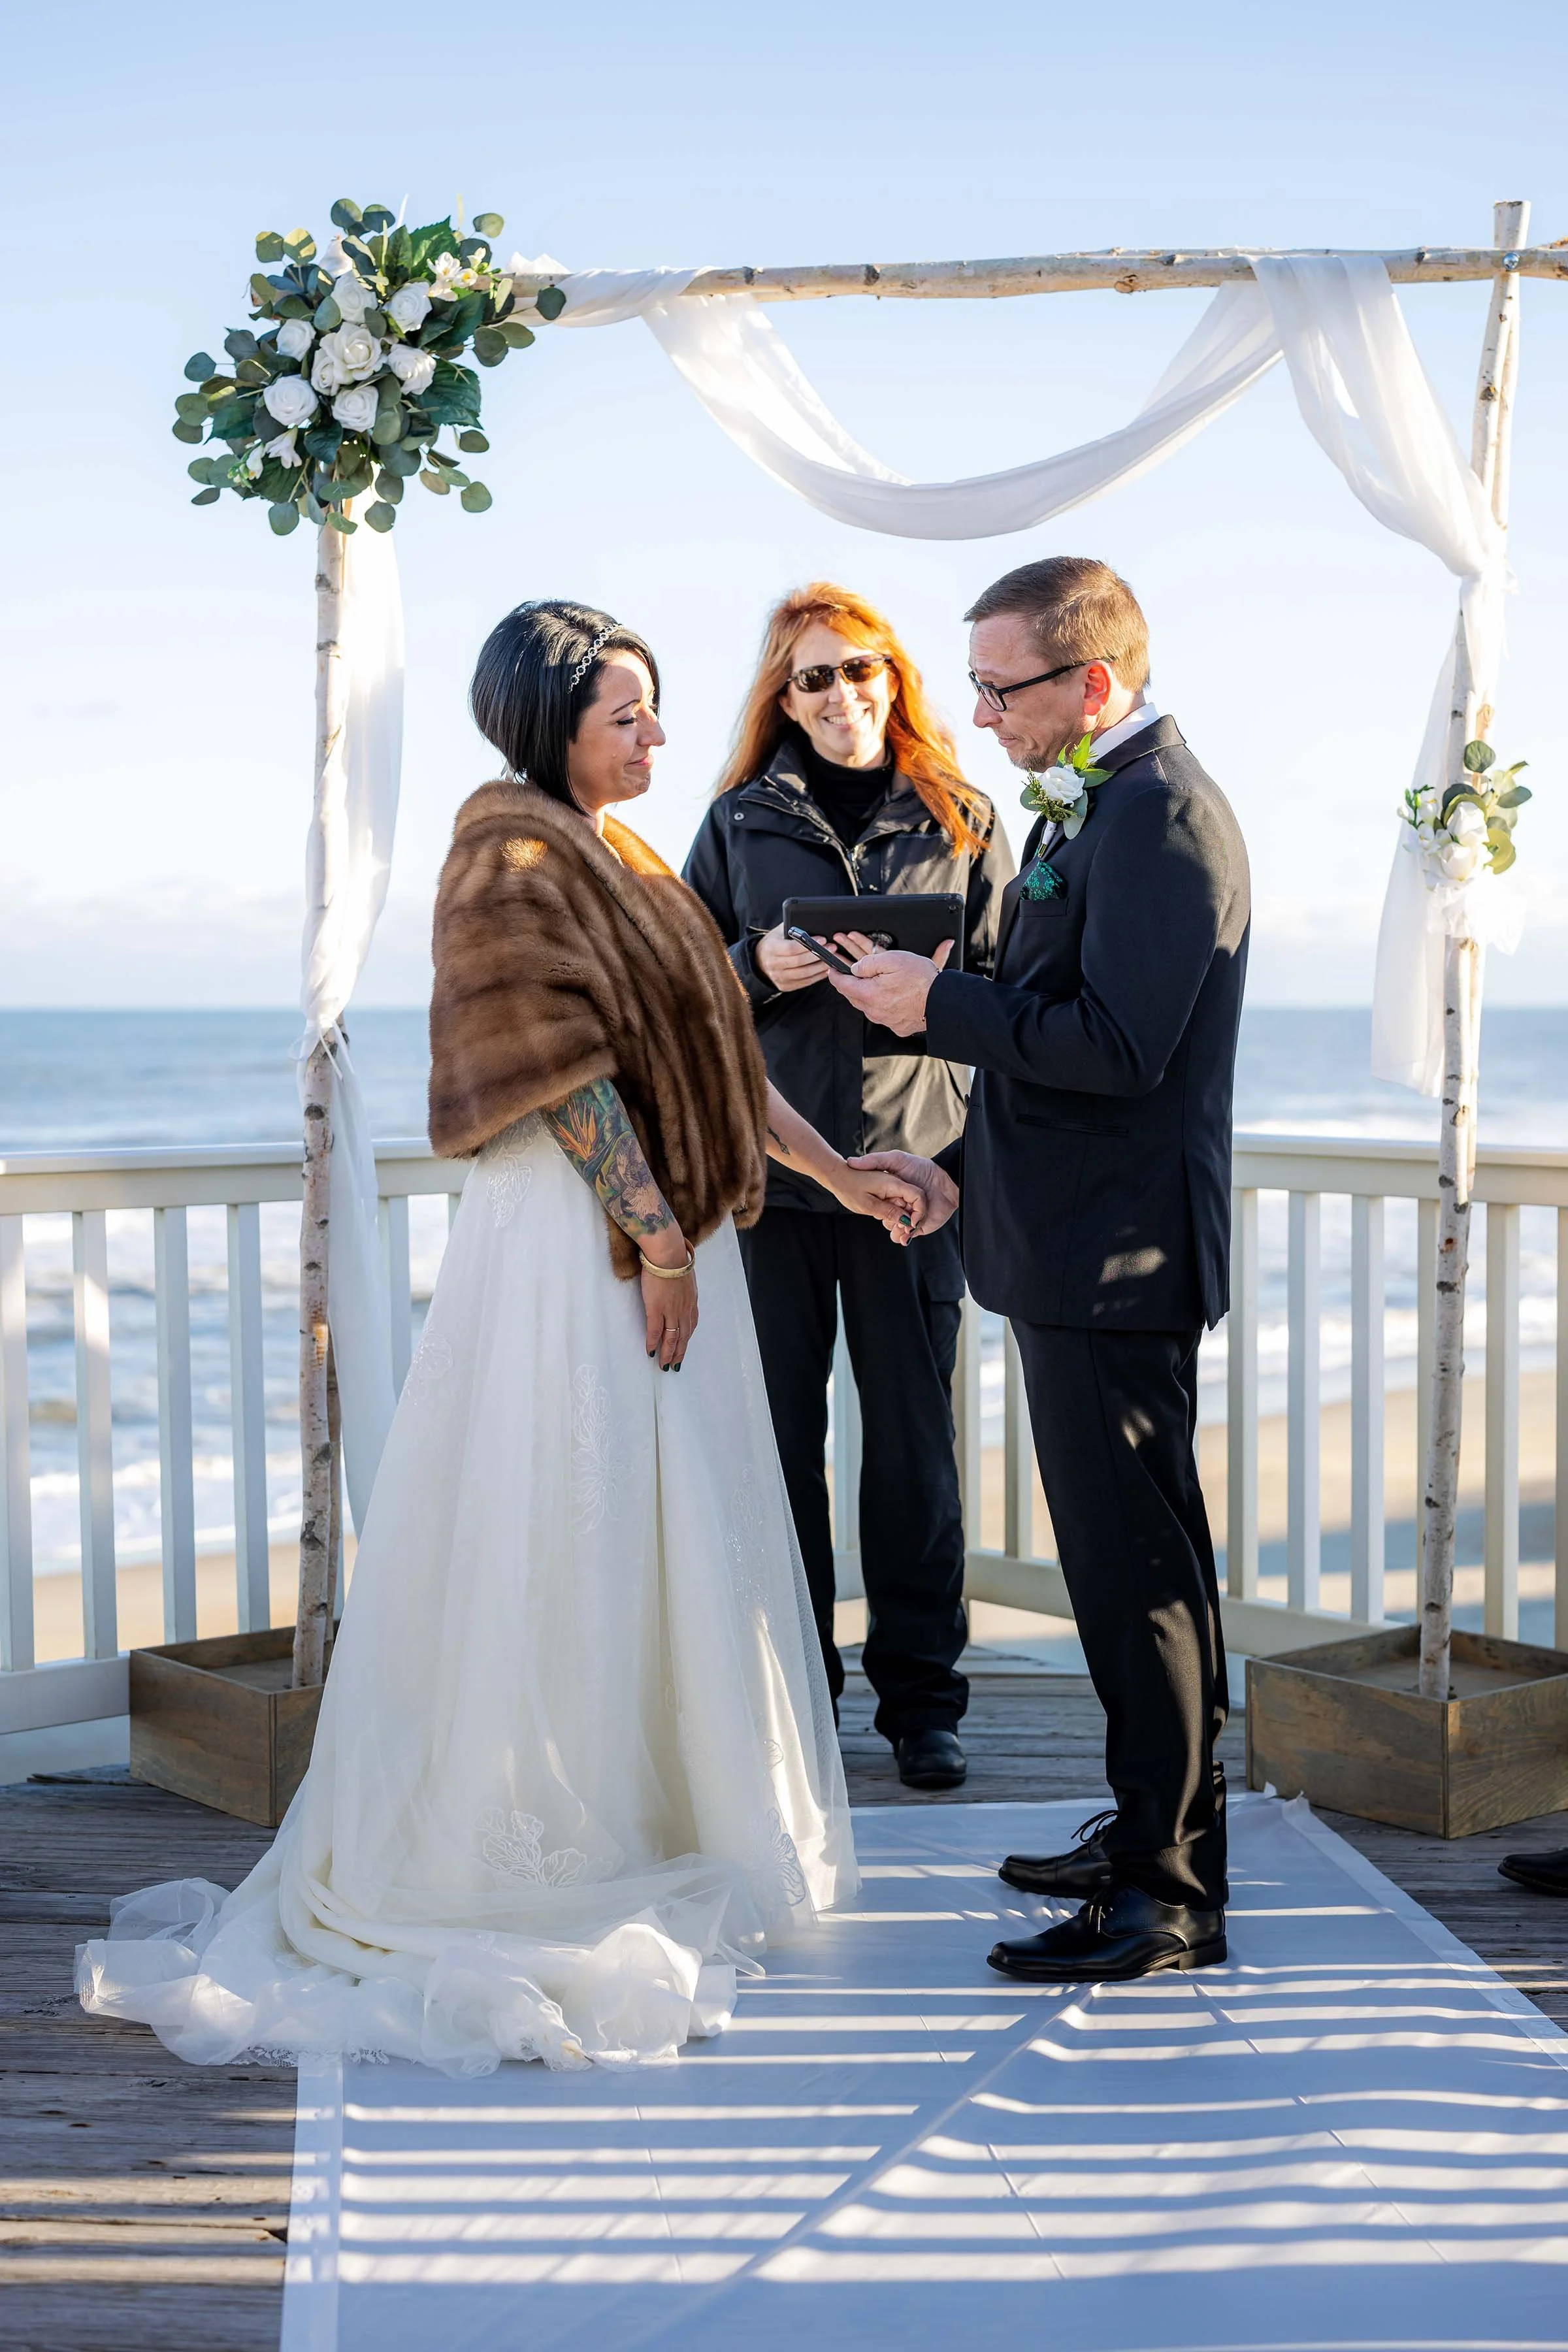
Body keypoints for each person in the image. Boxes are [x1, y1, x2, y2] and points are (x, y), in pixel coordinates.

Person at [76, 600, 953, 2074]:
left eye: (657, 710)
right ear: (549, 724)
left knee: (670, 1529)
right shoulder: (513, 851)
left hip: (670, 1237)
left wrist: (844, 1178)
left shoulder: (626, 856)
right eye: (629, 715)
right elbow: (563, 1077)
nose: (661, 736)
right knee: (571, 1518)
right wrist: (658, 1238)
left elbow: (721, 1073)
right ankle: (547, 1823)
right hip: (576, 1245)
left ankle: (668, 1803)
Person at [837, 556, 1249, 1984]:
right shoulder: (1100, 806)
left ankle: (1170, 1895)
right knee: (1128, 1568)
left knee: (1139, 1580)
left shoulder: (1165, 819)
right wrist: (964, 1168)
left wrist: (933, 1004)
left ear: (1094, 685)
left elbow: (1121, 1052)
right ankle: (1156, 1827)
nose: (981, 714)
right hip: (1068, 1240)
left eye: (1003, 687)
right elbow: (1059, 1030)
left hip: (1118, 1264)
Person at [684, 583, 1013, 1790]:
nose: (841, 695)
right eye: (812, 677)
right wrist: (751, 965)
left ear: (895, 676)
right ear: (785, 694)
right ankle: (796, 1697)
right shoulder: (735, 820)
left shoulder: (964, 811)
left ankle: (923, 1703)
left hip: (912, 1185)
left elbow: (1006, 999)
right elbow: (680, 993)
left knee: (916, 1452)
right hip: (774, 1186)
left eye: (860, 669)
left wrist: (964, 1171)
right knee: (781, 1449)